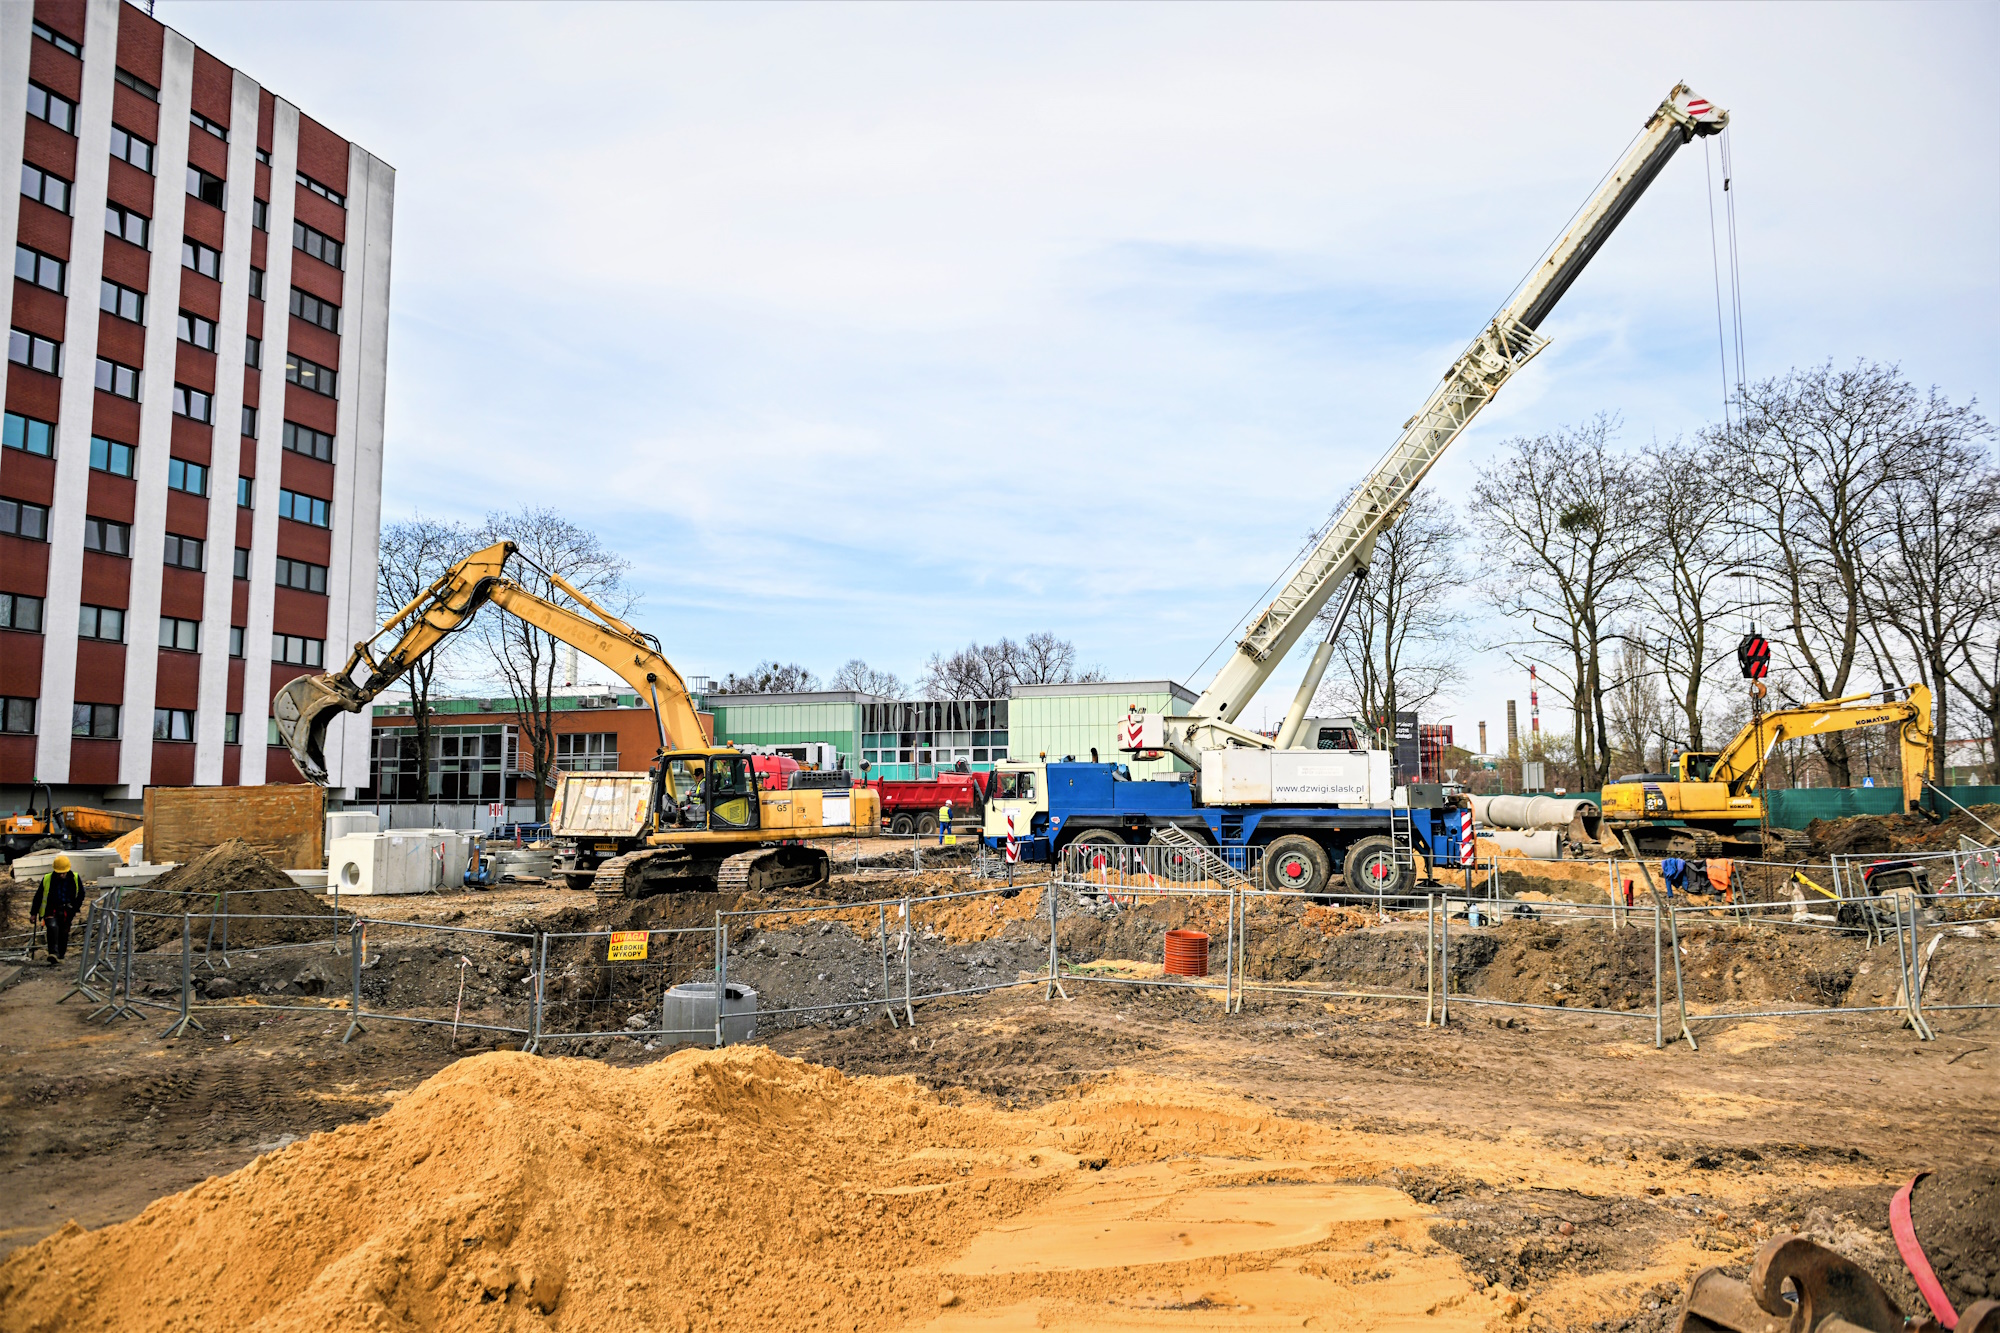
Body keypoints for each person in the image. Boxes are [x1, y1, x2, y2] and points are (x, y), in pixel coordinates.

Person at [32, 853, 85, 966]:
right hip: (51, 909)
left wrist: (75, 908)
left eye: (63, 873)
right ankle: (53, 953)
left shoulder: (74, 878)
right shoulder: (47, 879)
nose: (61, 875)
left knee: (63, 932)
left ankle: (60, 955)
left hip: (67, 911)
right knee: (52, 927)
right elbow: (38, 896)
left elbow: (81, 894)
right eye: (59, 873)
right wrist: (33, 913)